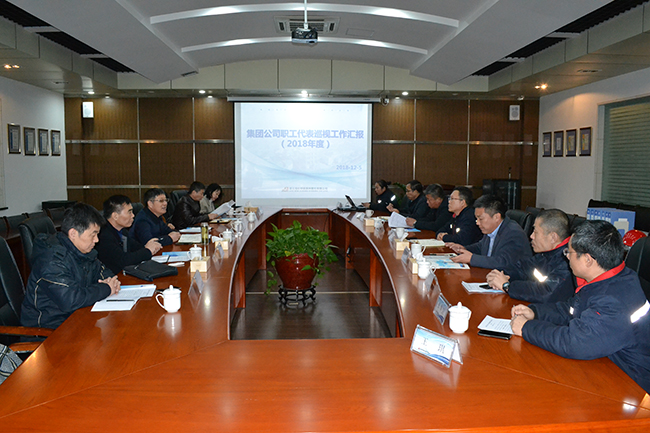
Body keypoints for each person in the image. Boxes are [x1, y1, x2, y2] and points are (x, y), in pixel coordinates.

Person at [511, 220, 650, 394]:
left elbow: (575, 342)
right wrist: (535, 312)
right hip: (604, 362)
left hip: (631, 384)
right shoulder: (610, 277)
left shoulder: (614, 299)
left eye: (569, 252)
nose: (566, 256)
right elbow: (572, 309)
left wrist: (527, 328)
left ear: (588, 260)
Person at [21, 203, 121, 330]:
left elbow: (104, 272)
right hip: (48, 331)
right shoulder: (52, 260)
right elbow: (71, 299)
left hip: (76, 319)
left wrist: (111, 282)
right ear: (73, 233)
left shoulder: (83, 252)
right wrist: (106, 288)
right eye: (93, 234)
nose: (96, 240)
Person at [486, 209, 574, 303]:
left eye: (536, 232)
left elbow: (546, 292)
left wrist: (507, 286)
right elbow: (523, 268)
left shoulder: (569, 260)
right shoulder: (547, 254)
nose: (531, 236)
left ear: (553, 237)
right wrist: (500, 274)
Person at [448, 194, 532, 269]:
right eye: (476, 219)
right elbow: (481, 246)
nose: (477, 223)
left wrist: (472, 259)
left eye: (480, 219)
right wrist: (463, 248)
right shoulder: (491, 229)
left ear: (496, 217)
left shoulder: (514, 233)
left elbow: (503, 262)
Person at [95, 195, 162, 274]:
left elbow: (137, 248)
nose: (133, 215)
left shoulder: (123, 231)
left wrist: (148, 246)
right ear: (115, 216)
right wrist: (148, 250)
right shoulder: (103, 236)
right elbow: (123, 260)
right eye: (129, 212)